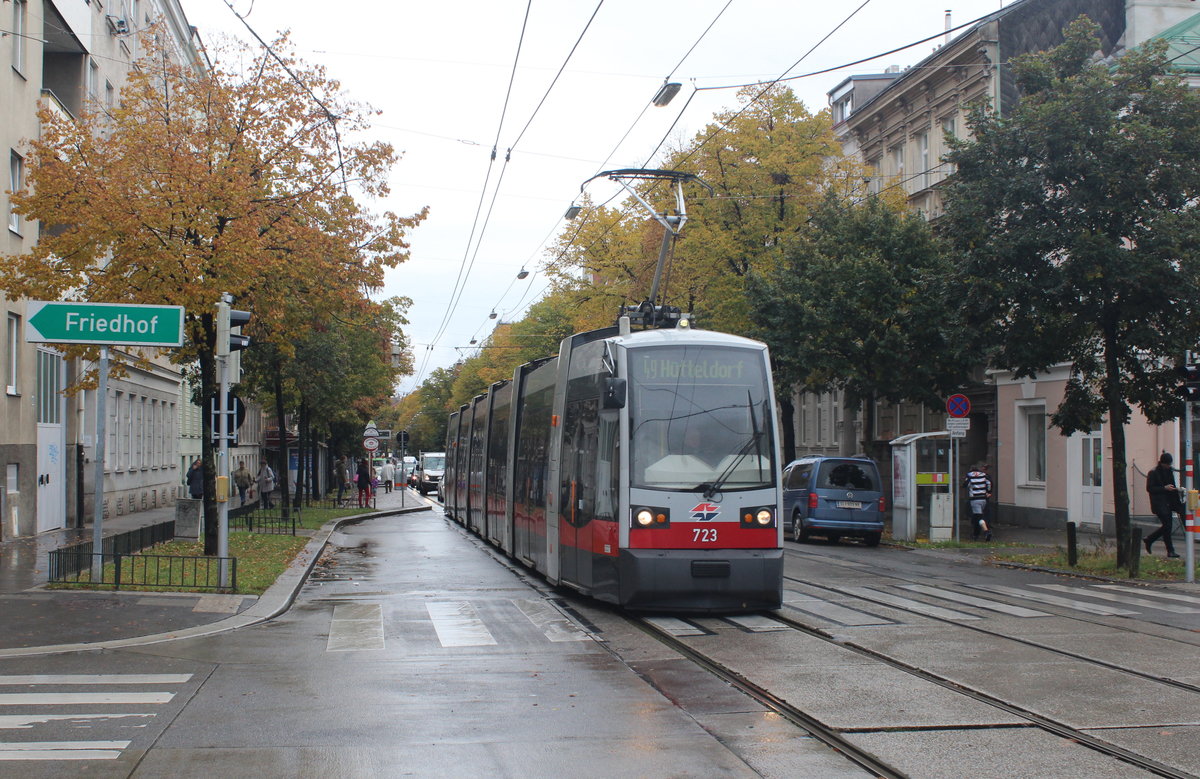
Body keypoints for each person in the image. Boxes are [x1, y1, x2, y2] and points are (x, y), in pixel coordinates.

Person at [1145, 452, 1182, 558]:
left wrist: (1176, 499)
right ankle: (1153, 541)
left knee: (1167, 527)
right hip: (1158, 503)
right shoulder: (1153, 472)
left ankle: (1167, 549)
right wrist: (1164, 488)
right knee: (1167, 526)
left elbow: (1172, 486)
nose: (1169, 466)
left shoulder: (1169, 471)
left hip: (1168, 503)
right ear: (1162, 463)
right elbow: (1150, 488)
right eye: (1167, 464)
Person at [965, 463, 992, 541]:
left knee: (979, 517)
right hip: (983, 499)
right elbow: (989, 483)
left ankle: (987, 531)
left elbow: (966, 484)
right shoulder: (984, 475)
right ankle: (975, 534)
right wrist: (989, 492)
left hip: (975, 499)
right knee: (976, 517)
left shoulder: (970, 475)